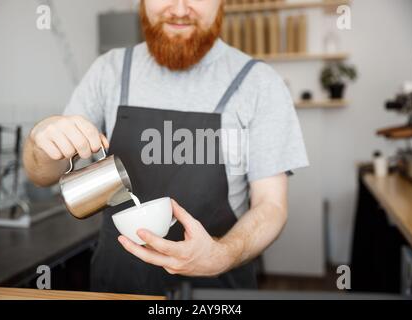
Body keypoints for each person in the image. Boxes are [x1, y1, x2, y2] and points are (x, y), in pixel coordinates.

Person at [23, 0, 309, 295]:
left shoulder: (259, 83)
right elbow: (43, 176)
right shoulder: (109, 72)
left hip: (215, 292)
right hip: (117, 286)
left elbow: (271, 205)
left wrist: (222, 254)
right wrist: (40, 141)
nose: (181, 9)